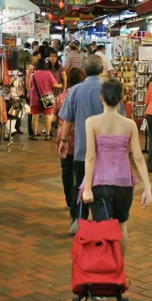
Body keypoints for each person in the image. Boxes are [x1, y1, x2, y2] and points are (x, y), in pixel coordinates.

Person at [82, 80, 152, 256]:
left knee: (101, 229)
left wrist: (87, 188)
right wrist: (147, 187)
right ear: (122, 99)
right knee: (121, 225)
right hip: (124, 183)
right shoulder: (129, 124)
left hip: (100, 182)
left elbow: (90, 156)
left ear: (101, 98)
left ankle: (104, 271)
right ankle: (118, 269)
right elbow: (138, 158)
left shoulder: (91, 122)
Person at [59, 55, 123, 234]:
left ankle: (79, 221)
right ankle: (103, 224)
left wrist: (63, 141)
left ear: (85, 71)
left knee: (81, 185)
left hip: (82, 150)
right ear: (103, 69)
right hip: (109, 152)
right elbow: (122, 119)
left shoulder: (75, 90)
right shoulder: (110, 89)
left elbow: (68, 120)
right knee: (105, 188)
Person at [57, 67, 85, 210]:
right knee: (80, 171)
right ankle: (79, 200)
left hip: (65, 139)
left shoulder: (61, 97)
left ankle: (69, 200)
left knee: (66, 171)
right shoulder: (84, 96)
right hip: (81, 138)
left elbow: (55, 115)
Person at [28, 58, 60, 140]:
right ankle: (47, 135)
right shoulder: (48, 74)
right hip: (47, 99)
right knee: (47, 117)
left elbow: (30, 87)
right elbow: (55, 85)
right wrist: (61, 85)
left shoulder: (33, 75)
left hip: (35, 99)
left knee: (35, 117)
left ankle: (34, 135)